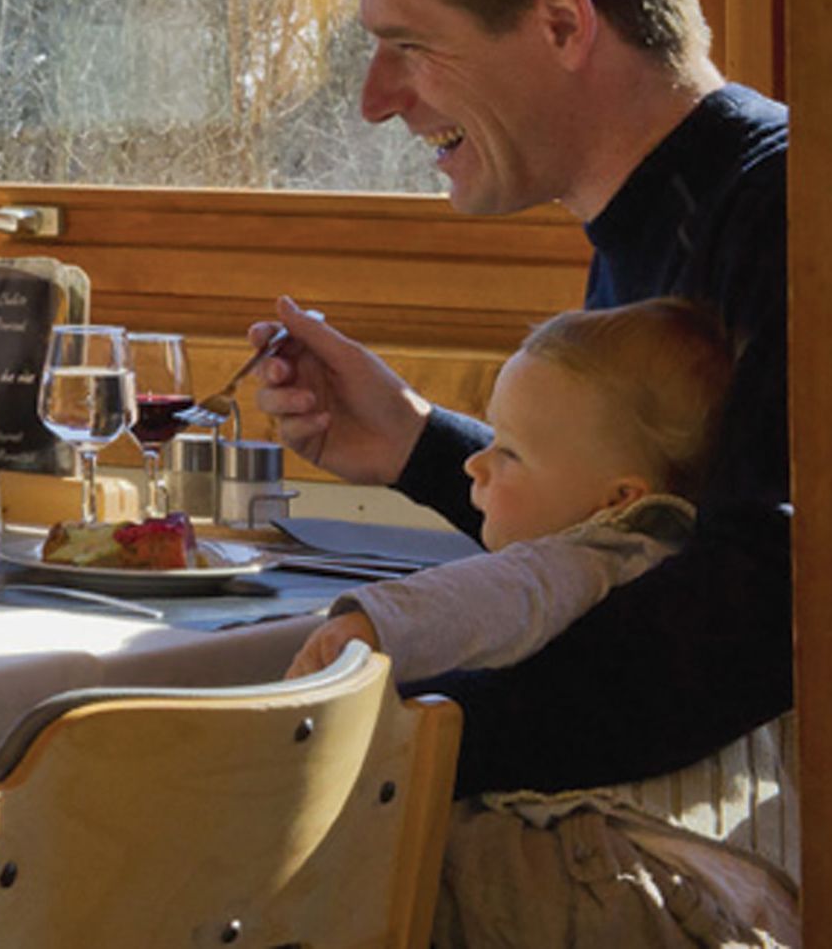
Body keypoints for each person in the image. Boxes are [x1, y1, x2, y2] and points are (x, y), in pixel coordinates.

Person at [254, 0, 792, 802]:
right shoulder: (657, 216)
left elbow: (760, 608)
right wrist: (417, 447)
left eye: (409, 44)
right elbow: (637, 536)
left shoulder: (787, 219)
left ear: (560, 20)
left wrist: (389, 752)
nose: (375, 101)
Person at [288, 301, 798, 945]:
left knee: (368, 857)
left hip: (619, 876)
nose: (475, 465)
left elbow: (499, 593)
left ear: (619, 499)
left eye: (509, 453)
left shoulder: (599, 551)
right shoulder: (700, 570)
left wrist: (372, 626)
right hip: (751, 895)